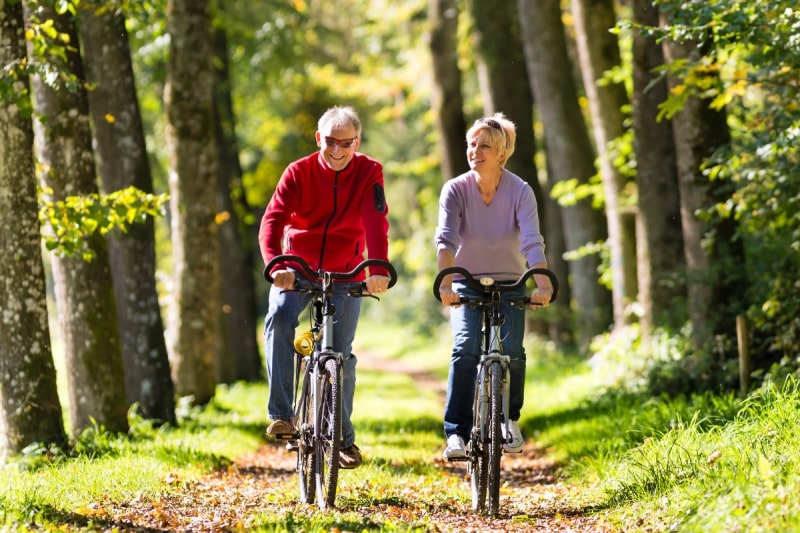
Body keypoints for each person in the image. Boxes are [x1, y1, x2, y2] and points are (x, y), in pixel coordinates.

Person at [259, 106, 391, 469]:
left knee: (342, 356)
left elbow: (375, 221)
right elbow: (273, 221)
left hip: (347, 270)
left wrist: (377, 267)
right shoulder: (298, 172)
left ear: (357, 142)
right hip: (296, 267)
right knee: (281, 317)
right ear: (319, 139)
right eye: (330, 141)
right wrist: (277, 264)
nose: (337, 150)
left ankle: (343, 439)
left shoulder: (368, 171)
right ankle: (283, 413)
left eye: (345, 143)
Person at [433, 112, 553, 459]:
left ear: (502, 153)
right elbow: (446, 240)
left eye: (484, 145)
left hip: (511, 282)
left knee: (513, 351)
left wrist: (542, 284)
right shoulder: (455, 189)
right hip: (467, 285)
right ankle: (456, 433)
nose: (475, 150)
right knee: (466, 346)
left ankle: (510, 419)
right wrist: (446, 282)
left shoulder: (521, 191)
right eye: (472, 144)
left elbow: (532, 242)